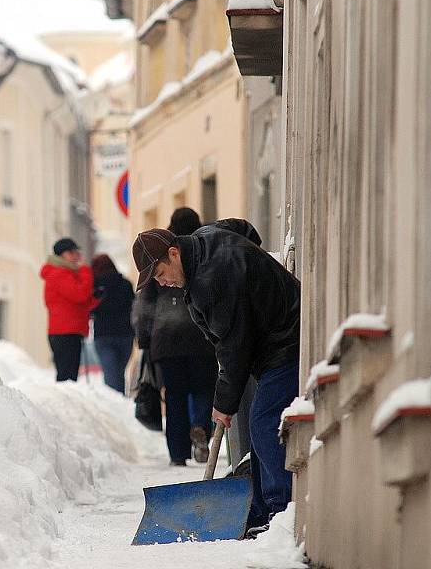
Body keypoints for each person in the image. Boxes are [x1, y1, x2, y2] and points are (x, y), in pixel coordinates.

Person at [131, 219, 300, 537]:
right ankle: (262, 509)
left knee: (264, 425)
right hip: (270, 343)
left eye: (160, 274)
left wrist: (223, 403)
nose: (162, 283)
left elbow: (233, 347)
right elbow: (245, 229)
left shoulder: (212, 279)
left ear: (174, 253)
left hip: (287, 339)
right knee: (258, 427)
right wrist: (253, 272)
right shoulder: (203, 239)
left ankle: (281, 514)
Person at [132, 208, 218, 466]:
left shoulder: (158, 252)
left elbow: (145, 304)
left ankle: (178, 453)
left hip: (167, 342)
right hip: (201, 339)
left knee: (174, 396)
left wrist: (144, 339)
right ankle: (201, 427)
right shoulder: (200, 252)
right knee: (203, 389)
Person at [40, 238, 99, 382]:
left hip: (69, 330)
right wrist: (85, 270)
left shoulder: (67, 273)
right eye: (71, 252)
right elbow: (79, 295)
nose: (76, 256)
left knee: (70, 375)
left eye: (76, 252)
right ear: (61, 255)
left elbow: (79, 302)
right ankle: (61, 404)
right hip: (64, 331)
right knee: (67, 376)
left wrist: (95, 299)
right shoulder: (58, 273)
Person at [89, 254, 135, 394]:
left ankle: (116, 404)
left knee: (111, 375)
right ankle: (119, 403)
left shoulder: (95, 287)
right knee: (119, 373)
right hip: (125, 334)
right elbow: (134, 307)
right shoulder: (126, 285)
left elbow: (90, 308)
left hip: (104, 335)